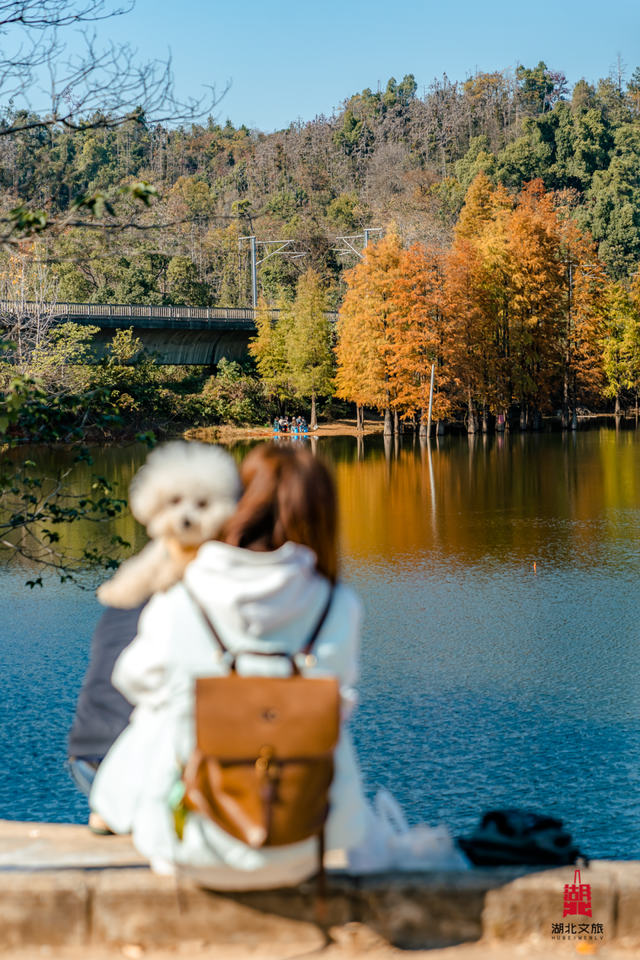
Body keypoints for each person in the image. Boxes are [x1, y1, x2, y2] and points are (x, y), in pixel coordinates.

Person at [90, 444, 370, 887]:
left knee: (159, 713)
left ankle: (114, 810)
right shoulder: (338, 604)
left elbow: (133, 677)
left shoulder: (184, 593)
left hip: (189, 847)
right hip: (308, 845)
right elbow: (343, 697)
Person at [67, 604, 146, 831]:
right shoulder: (181, 607)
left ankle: (107, 809)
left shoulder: (117, 610)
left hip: (85, 761)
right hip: (137, 763)